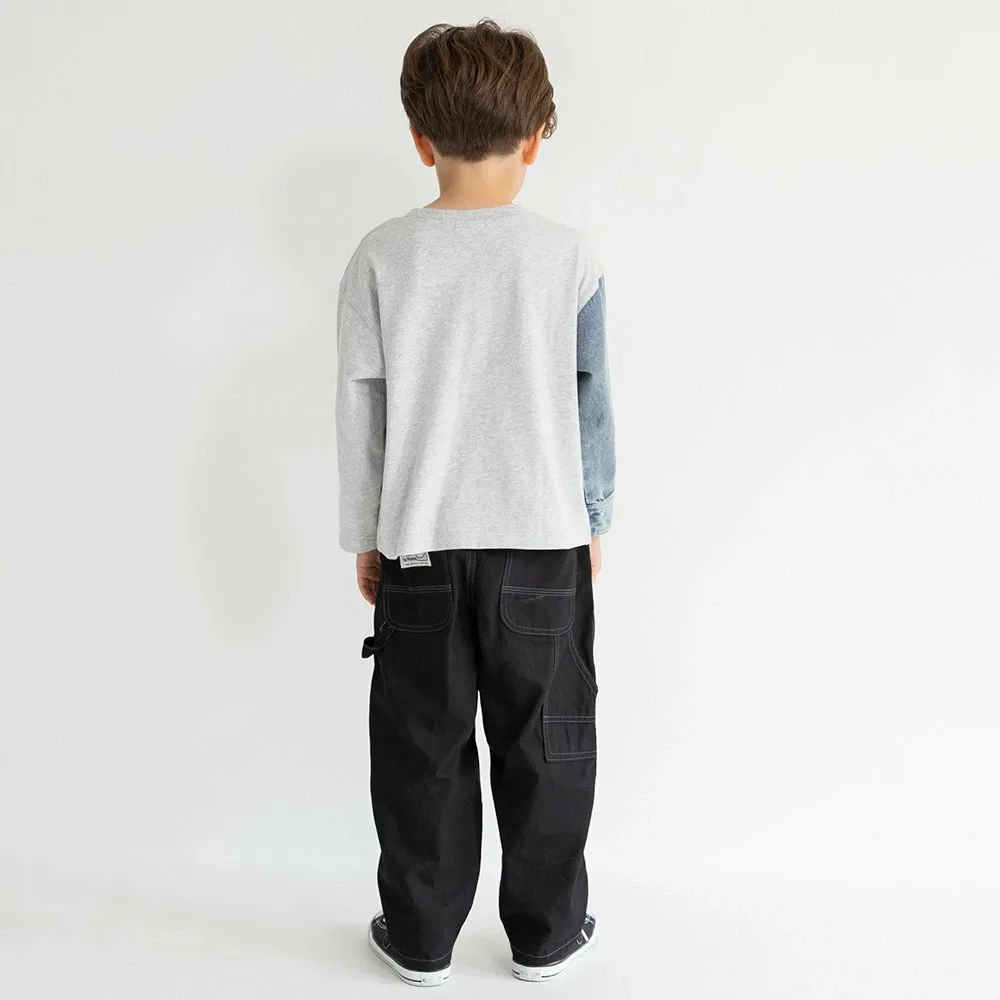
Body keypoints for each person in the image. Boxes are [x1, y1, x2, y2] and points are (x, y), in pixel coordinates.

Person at [335, 18, 615, 987]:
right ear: (536, 138)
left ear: (421, 139)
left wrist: (365, 535)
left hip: (419, 548)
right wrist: (593, 518)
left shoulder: (381, 256)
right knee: (550, 745)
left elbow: (362, 409)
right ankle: (546, 934)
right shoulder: (567, 256)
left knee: (421, 747)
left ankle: (420, 937)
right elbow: (591, 399)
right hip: (542, 544)